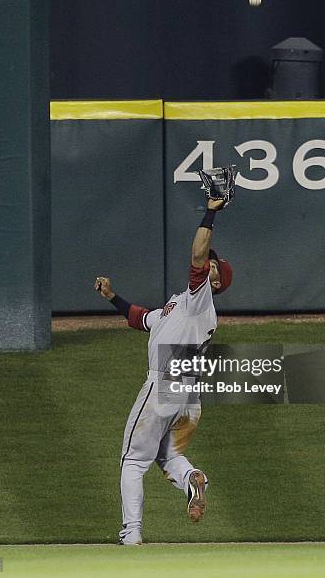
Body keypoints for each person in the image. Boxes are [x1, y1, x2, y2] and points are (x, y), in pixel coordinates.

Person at [94, 198, 233, 545]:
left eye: (214, 268)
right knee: (168, 455)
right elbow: (141, 318)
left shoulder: (201, 299)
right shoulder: (180, 305)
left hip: (166, 382)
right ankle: (192, 479)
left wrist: (211, 211)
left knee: (132, 460)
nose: (208, 265)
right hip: (188, 395)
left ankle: (131, 533)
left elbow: (198, 257)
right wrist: (113, 297)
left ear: (215, 284)